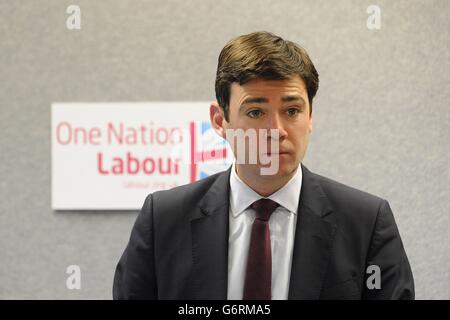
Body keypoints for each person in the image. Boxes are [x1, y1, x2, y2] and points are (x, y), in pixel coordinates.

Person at [113, 31, 414, 300]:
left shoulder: (366, 222)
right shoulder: (164, 219)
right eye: (256, 112)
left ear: (310, 117)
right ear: (221, 121)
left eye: (292, 110)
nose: (277, 130)